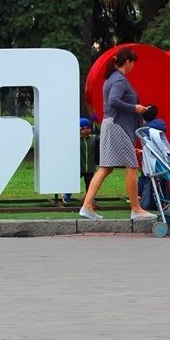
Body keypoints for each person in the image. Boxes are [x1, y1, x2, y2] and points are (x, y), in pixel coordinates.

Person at [78, 47, 157, 221]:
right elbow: (113, 101)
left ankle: (87, 206)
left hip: (111, 125)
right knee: (132, 166)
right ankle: (136, 209)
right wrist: (134, 108)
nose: (133, 66)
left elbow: (112, 102)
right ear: (128, 62)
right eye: (133, 63)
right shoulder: (119, 79)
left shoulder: (112, 78)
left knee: (106, 167)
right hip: (117, 126)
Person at [63, 118, 99, 204]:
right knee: (72, 181)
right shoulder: (75, 139)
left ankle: (89, 197)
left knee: (90, 184)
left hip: (90, 167)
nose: (86, 131)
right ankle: (67, 195)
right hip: (78, 167)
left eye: (88, 128)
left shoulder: (94, 138)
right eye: (83, 129)